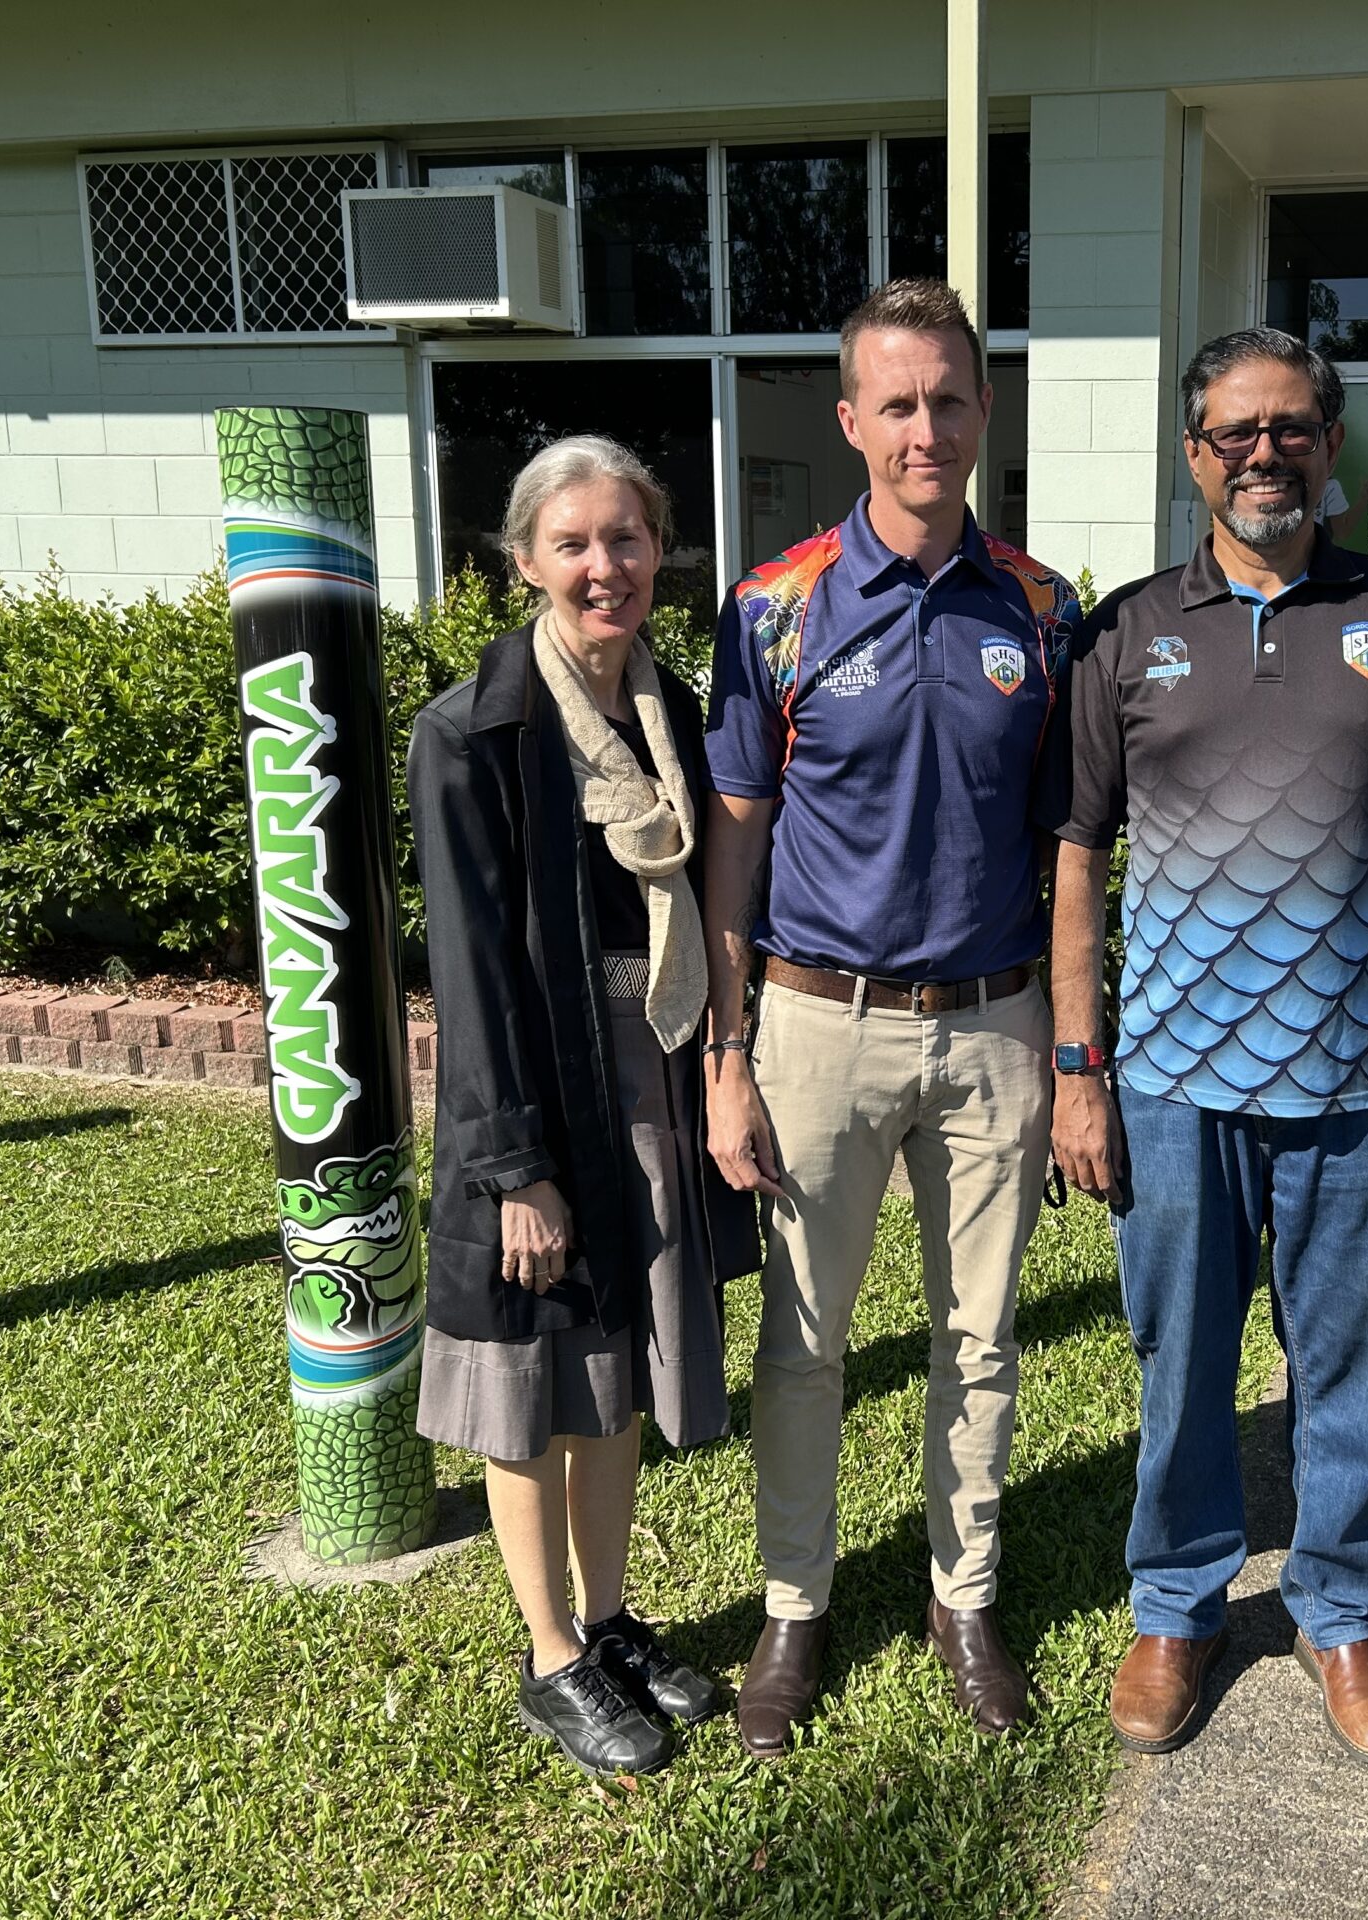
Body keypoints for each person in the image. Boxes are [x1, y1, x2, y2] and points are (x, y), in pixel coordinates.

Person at [1051, 326, 1368, 1767]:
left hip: (1360, 1078)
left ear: (1330, 442)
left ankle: (1345, 1610)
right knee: (1180, 1360)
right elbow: (1075, 853)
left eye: (1292, 428)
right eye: (1235, 432)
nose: (1264, 453)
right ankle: (1178, 1604)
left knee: (1351, 1359)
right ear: (1194, 454)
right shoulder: (1123, 631)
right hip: (1175, 1083)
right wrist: (1079, 1066)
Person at [700, 278, 1080, 1756]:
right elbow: (733, 842)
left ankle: (962, 1597)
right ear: (853, 420)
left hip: (992, 1029)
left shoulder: (1043, 613)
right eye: (897, 402)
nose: (927, 427)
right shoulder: (774, 608)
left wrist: (1065, 1042)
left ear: (987, 411)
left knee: (980, 1339)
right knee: (804, 1345)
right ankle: (793, 1612)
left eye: (951, 398)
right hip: (813, 1024)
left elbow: (1068, 851)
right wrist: (726, 1054)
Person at [409, 435, 759, 1779]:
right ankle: (550, 1655)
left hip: (654, 1066)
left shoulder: (666, 703)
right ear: (523, 564)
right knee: (539, 1380)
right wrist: (514, 1169)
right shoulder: (475, 729)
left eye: (626, 538)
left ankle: (609, 1620)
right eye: (573, 543)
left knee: (611, 1375)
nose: (604, 565)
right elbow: (471, 960)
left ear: (657, 549)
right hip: (545, 1086)